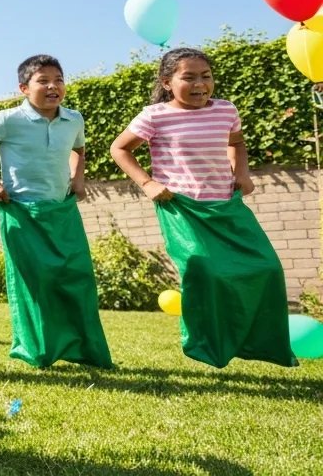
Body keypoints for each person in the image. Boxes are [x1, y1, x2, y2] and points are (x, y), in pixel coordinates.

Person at [109, 47, 295, 368]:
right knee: (205, 271)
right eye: (189, 77)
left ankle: (260, 344)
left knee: (267, 268)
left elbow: (235, 142)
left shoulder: (225, 110)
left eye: (205, 76)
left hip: (225, 205)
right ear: (167, 82)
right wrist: (148, 183)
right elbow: (119, 148)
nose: (200, 83)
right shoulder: (154, 116)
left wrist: (242, 173)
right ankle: (203, 344)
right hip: (181, 208)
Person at [0, 54, 113, 369]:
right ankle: (39, 350)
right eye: (43, 80)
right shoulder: (8, 120)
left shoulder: (74, 119)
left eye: (58, 79)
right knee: (36, 282)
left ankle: (84, 350)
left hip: (62, 210)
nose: (53, 86)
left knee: (77, 277)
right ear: (23, 88)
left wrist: (78, 176)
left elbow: (79, 149)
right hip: (20, 212)